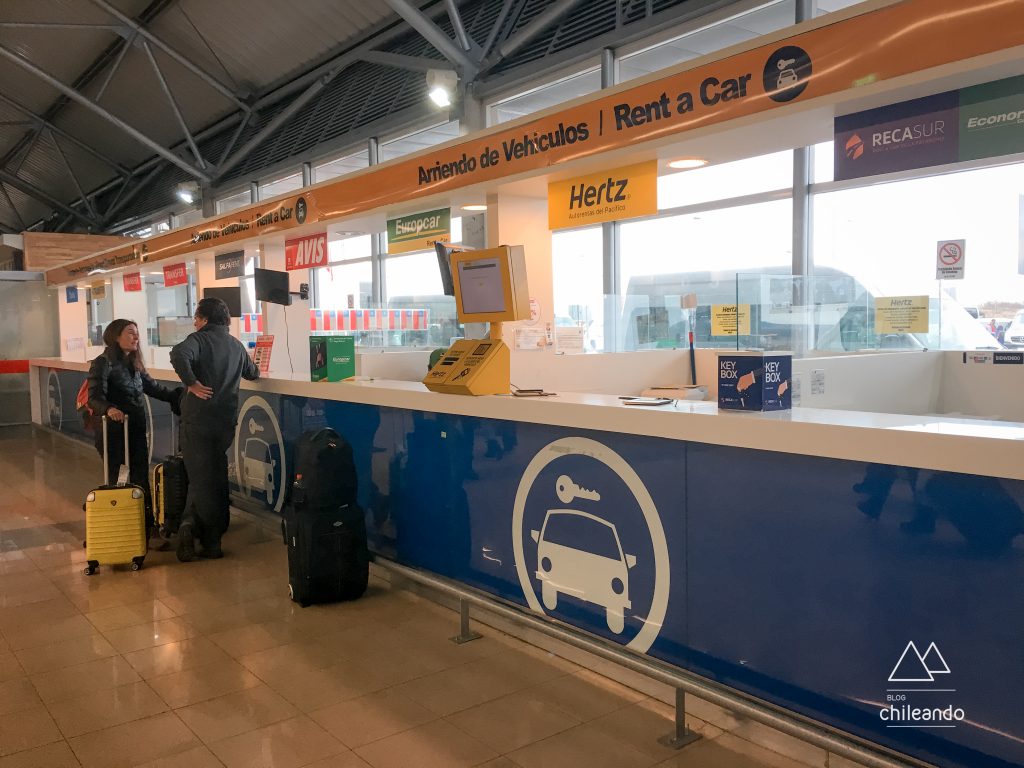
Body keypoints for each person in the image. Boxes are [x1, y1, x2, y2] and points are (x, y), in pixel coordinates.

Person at [170, 296, 259, 561]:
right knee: (214, 477)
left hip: (197, 422)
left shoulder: (197, 340)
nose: (195, 323)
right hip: (224, 423)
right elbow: (253, 373)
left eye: (196, 318)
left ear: (205, 320)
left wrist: (192, 383)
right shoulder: (236, 345)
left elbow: (178, 354)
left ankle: (195, 531)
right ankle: (210, 538)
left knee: (201, 479)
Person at [87, 319, 182, 539]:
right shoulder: (102, 363)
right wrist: (109, 408)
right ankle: (123, 525)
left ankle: (146, 527)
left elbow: (153, 388)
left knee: (140, 476)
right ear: (115, 336)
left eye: (137, 333)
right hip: (113, 433)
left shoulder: (134, 364)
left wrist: (180, 395)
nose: (136, 337)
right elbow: (94, 397)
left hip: (136, 431)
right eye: (130, 333)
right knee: (119, 477)